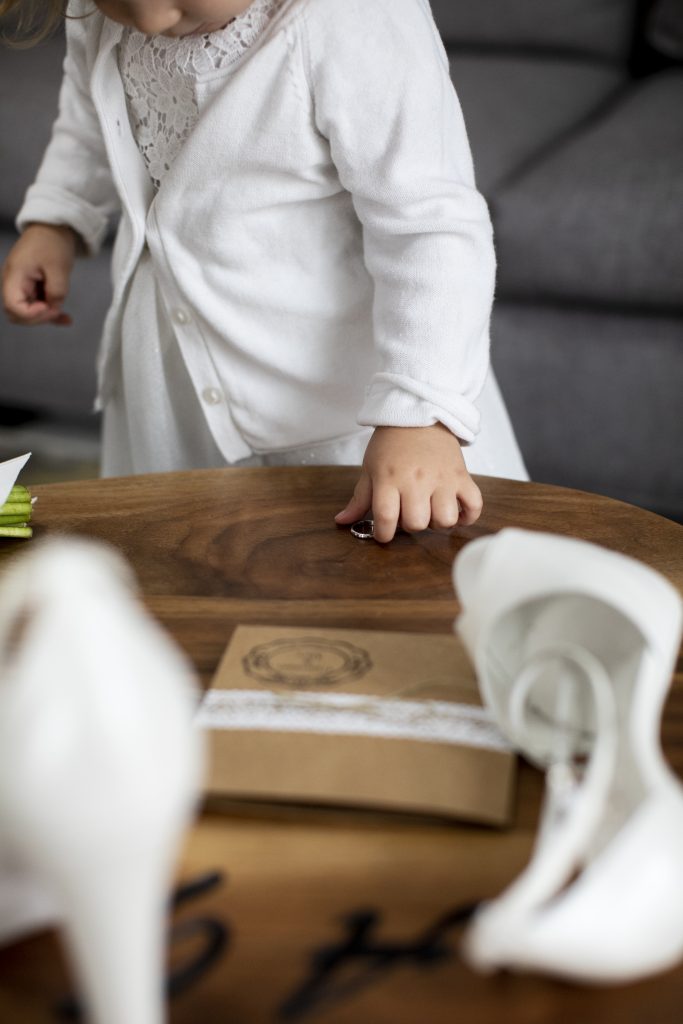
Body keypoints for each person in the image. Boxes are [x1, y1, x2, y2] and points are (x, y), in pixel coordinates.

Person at [1, 0, 527, 542]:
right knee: (185, 571)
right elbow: (88, 111)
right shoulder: (96, 15)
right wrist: (57, 220)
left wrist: (420, 415)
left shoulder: (353, 18)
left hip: (350, 423)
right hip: (174, 389)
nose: (150, 14)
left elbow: (429, 228)